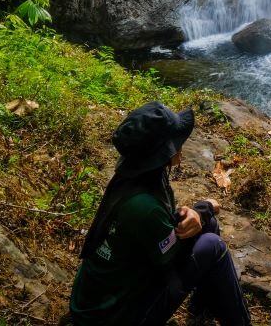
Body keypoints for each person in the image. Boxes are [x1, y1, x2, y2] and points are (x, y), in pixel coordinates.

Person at [68, 101, 251, 326]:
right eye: (177, 143)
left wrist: (197, 214)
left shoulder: (135, 175)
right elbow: (169, 252)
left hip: (104, 299)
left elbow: (161, 229)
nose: (181, 146)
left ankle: (202, 305)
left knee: (206, 224)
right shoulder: (144, 207)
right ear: (164, 152)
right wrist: (206, 207)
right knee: (213, 245)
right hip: (113, 317)